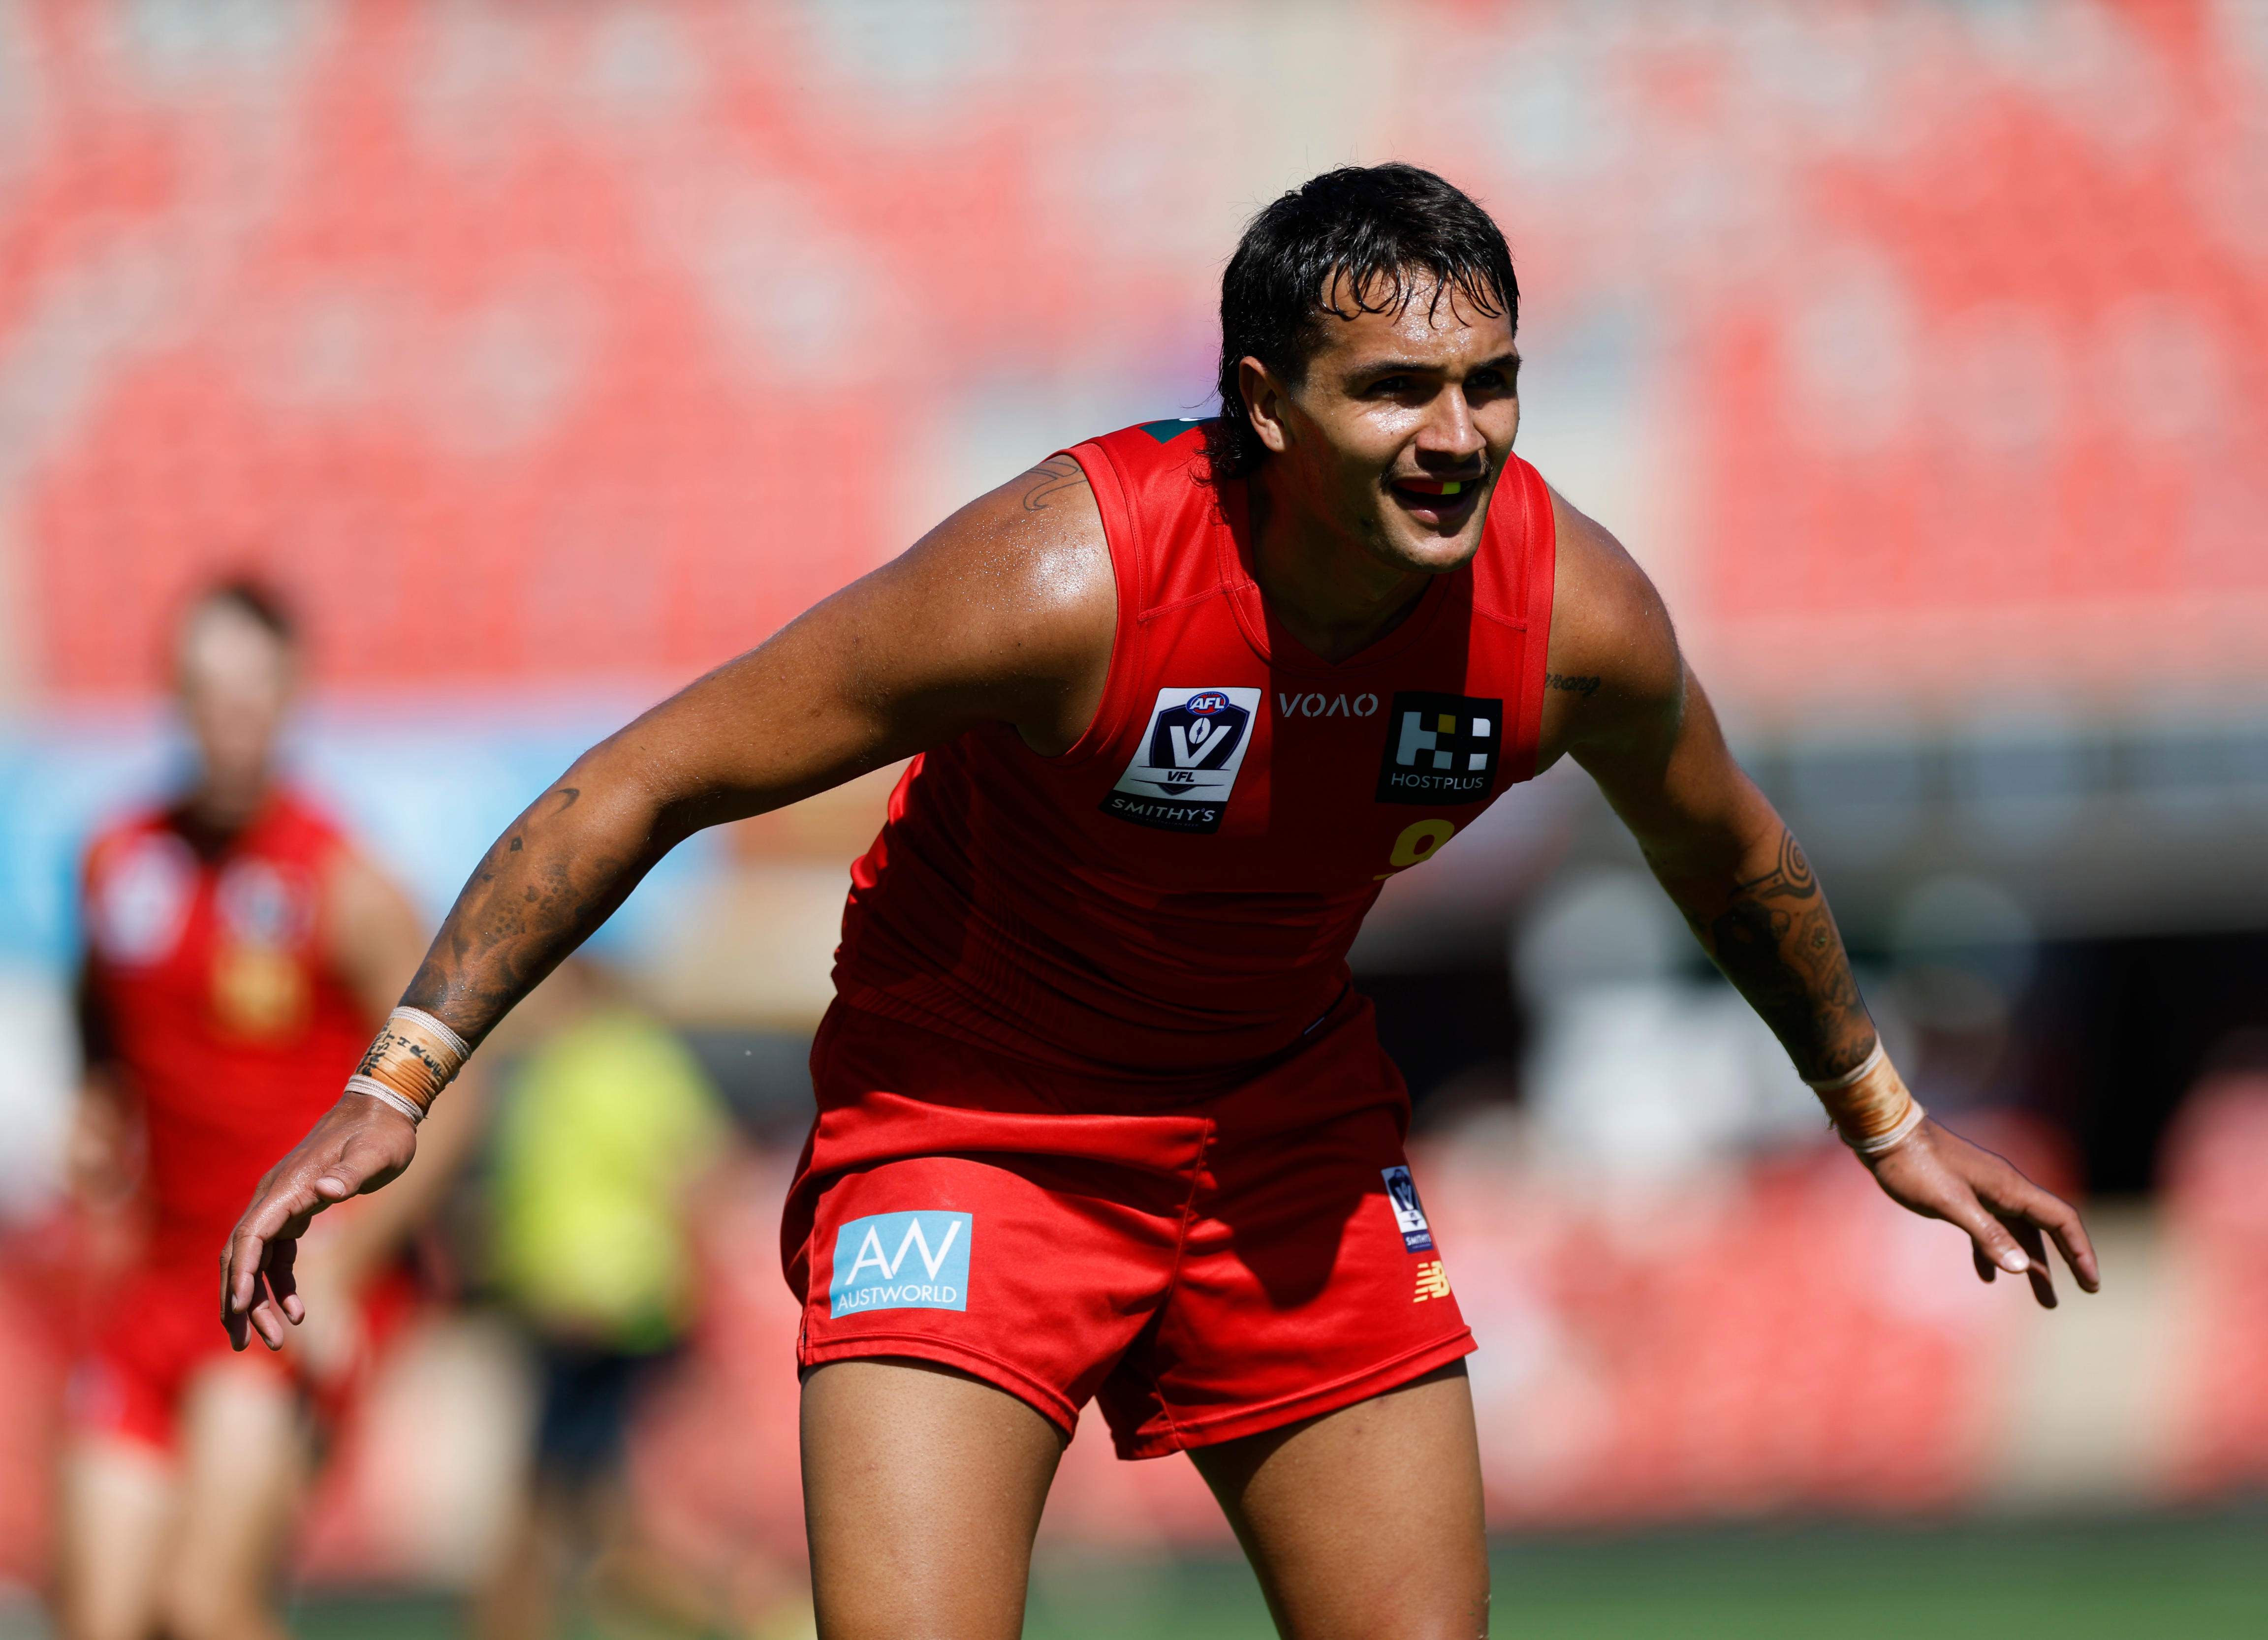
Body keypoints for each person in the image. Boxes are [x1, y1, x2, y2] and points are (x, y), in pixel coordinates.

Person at [222, 166, 2099, 1639]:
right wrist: (399, 1080)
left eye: (1491, 381)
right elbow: (651, 774)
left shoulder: (1568, 619)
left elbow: (1730, 852)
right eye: (1398, 390)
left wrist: (1885, 1119)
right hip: (969, 1130)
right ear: (1265, 406)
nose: (1459, 434)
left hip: (1283, 1129)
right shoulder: (1067, 579)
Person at [59, 582, 483, 1640]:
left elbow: (454, 1097)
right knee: (102, 1621)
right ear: (176, 697)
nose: (231, 716)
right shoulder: (116, 861)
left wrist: (349, 1257)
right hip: (155, 1281)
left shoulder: (342, 882)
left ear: (292, 695)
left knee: (201, 1605)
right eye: (209, 690)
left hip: (281, 1288)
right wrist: (97, 1111)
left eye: (253, 691)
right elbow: (101, 1019)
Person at [472, 959, 734, 1640]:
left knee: (571, 1508)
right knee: (577, 1504)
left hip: (612, 1310)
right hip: (566, 1309)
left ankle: (744, 1614)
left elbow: (699, 1172)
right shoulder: (553, 1067)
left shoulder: (624, 1059)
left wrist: (688, 1286)